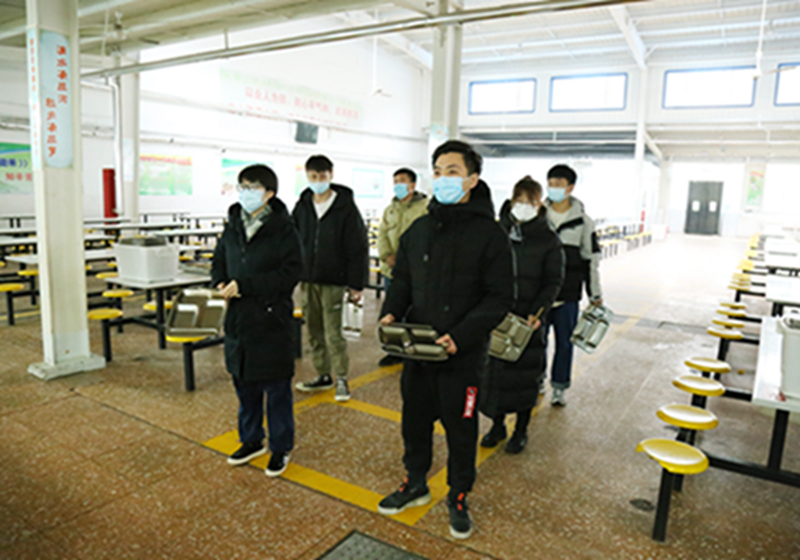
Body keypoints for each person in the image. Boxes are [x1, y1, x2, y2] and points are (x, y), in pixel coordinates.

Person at [377, 140, 513, 540]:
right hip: (418, 348)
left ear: (472, 180)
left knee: (461, 428)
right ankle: (415, 482)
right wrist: (391, 311)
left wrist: (462, 336)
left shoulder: (490, 235)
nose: (442, 179)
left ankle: (458, 494)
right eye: (437, 171)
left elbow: (500, 297)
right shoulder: (419, 229)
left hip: (462, 355)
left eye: (452, 171)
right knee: (414, 421)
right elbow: (402, 280)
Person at [211, 164, 303, 477]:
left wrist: (247, 285)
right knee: (244, 384)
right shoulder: (234, 222)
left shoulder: (284, 229)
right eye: (243, 187)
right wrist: (219, 280)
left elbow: (291, 273)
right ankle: (251, 440)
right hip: (239, 318)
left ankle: (280, 447)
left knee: (276, 389)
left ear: (269, 193)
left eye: (253, 188)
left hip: (270, 318)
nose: (245, 193)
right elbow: (220, 258)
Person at [479, 176, 564, 454]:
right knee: (495, 375)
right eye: (519, 200)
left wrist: (538, 311)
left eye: (530, 202)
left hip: (528, 320)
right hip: (498, 315)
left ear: (539, 205)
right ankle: (497, 426)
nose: (524, 206)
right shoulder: (498, 231)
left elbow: (553, 281)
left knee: (525, 378)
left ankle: (521, 430)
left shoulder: (548, 239)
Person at [292, 155, 368, 402]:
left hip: (335, 281)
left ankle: (342, 378)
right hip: (308, 279)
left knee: (334, 333)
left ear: (331, 175)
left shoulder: (345, 207)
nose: (318, 181)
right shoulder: (303, 205)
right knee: (314, 331)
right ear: (307, 176)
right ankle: (323, 374)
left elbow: (358, 248)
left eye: (322, 176)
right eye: (313, 176)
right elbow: (293, 239)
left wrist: (356, 284)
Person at [543, 164, 603, 406]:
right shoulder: (538, 215)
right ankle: (537, 379)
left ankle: (559, 387)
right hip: (540, 294)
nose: (553, 189)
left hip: (568, 294)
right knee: (536, 341)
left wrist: (595, 294)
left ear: (570, 188)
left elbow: (591, 260)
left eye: (559, 185)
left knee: (565, 344)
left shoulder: (583, 223)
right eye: (550, 184)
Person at [376, 167, 428, 367]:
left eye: (402, 181)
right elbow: (382, 234)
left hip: (416, 272)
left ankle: (413, 351)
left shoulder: (424, 208)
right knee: (392, 312)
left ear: (413, 185)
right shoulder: (390, 209)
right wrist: (386, 255)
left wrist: (408, 260)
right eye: (395, 181)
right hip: (391, 271)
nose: (398, 185)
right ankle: (394, 350)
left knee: (414, 313)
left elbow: (427, 239)